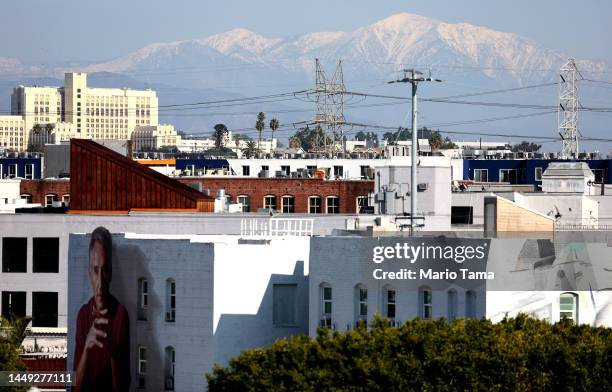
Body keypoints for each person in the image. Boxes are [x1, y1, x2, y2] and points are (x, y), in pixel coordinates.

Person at [74, 226, 130, 391]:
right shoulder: (83, 315)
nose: (99, 281)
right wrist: (86, 349)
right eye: (95, 270)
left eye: (104, 270)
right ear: (89, 272)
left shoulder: (120, 315)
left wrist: (111, 351)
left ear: (111, 273)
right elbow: (74, 387)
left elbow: (122, 387)